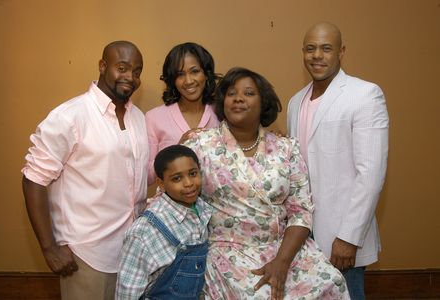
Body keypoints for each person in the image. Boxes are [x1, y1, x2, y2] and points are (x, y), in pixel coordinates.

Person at [183, 67, 349, 299]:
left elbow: (300, 211)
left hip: (284, 250)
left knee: (332, 282)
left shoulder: (286, 148)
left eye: (249, 93)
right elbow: (176, 199)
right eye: (231, 93)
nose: (239, 98)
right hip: (228, 252)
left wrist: (281, 263)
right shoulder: (200, 146)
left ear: (264, 104)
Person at [21, 41, 149, 300]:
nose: (130, 77)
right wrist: (49, 248)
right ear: (103, 66)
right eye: (122, 68)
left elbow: (133, 178)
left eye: (136, 71)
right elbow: (33, 179)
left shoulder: (138, 117)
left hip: (132, 252)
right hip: (87, 254)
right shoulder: (71, 116)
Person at [287, 22, 389, 299]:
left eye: (326, 48)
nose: (317, 55)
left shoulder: (364, 94)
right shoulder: (295, 102)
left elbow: (371, 174)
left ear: (341, 52)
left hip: (342, 239)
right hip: (303, 236)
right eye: (310, 49)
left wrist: (349, 237)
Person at [116, 145, 212, 299]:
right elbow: (127, 293)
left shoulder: (204, 210)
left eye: (193, 174)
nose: (188, 183)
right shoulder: (144, 231)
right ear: (161, 183)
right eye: (177, 178)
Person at [145, 42, 220, 185]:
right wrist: (177, 150)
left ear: (206, 73)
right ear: (172, 80)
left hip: (218, 205)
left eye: (195, 71)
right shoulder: (154, 118)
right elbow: (148, 177)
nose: (189, 81)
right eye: (180, 74)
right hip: (173, 207)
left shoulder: (221, 113)